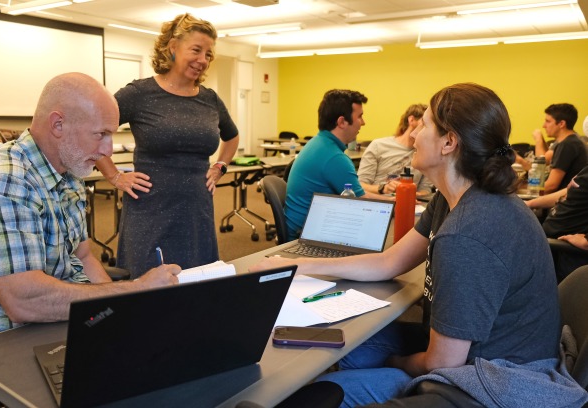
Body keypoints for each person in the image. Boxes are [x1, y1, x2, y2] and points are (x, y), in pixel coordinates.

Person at [251, 83, 587, 407]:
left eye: (423, 125)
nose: (412, 135)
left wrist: (397, 361)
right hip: (485, 348)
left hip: (493, 376)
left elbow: (441, 363)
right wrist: (294, 265)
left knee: (325, 389)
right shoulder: (456, 197)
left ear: (449, 142)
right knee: (345, 347)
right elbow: (389, 262)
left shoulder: (468, 233)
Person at [0, 73, 181, 340]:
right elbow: (25, 302)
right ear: (58, 125)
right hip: (12, 341)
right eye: (101, 134)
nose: (108, 150)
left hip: (59, 319)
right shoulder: (1, 180)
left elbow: (83, 257)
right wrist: (135, 289)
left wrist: (119, 312)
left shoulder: (69, 172)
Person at [94, 13, 239, 277]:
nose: (203, 60)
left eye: (208, 54)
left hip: (197, 210)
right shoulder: (140, 94)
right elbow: (93, 129)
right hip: (150, 209)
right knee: (147, 290)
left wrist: (220, 166)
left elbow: (232, 136)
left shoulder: (210, 99)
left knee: (197, 285)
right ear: (173, 47)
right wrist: (114, 176)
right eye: (196, 50)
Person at [284, 89, 384, 241]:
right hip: (305, 236)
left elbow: (356, 191)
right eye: (360, 116)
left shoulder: (319, 143)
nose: (363, 122)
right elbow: (362, 201)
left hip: (303, 227)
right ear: (342, 122)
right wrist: (400, 200)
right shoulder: (334, 158)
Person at [357, 104, 434, 196]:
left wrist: (412, 194)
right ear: (411, 120)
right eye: (425, 123)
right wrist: (383, 188)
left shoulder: (428, 153)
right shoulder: (378, 146)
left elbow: (426, 189)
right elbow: (360, 185)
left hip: (408, 203)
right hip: (378, 203)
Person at [526, 168, 588, 279]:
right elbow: (568, 193)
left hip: (566, 253)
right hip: (551, 247)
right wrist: (530, 204)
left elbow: (552, 185)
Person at [516, 104, 586, 194]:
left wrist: (518, 189)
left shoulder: (567, 145)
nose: (544, 125)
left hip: (563, 203)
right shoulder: (572, 141)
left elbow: (551, 186)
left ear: (561, 124)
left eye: (548, 121)